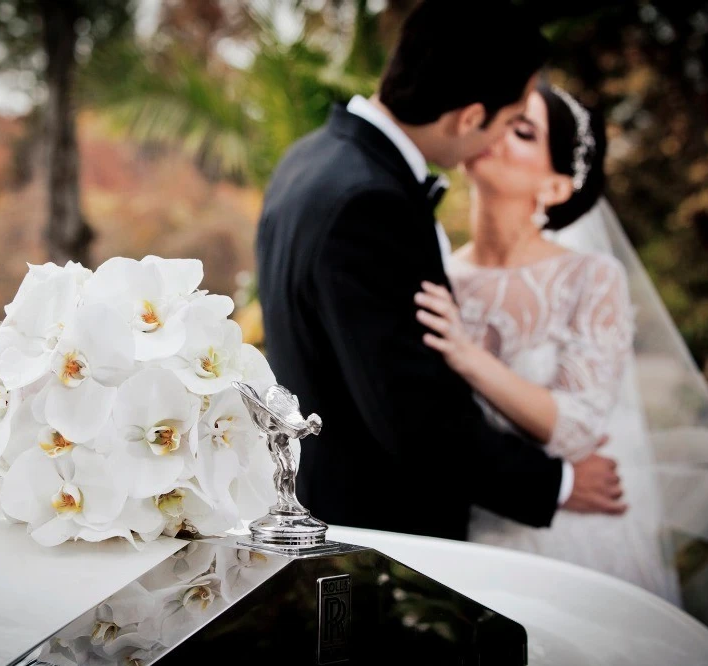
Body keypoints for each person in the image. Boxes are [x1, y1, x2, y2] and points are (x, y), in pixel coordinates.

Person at [255, 1, 623, 543]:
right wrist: (557, 483)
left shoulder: (309, 159)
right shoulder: (371, 202)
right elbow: (415, 419)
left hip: (332, 501)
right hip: (387, 531)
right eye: (507, 121)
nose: (499, 141)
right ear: (470, 117)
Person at [415, 83, 681, 602]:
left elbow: (579, 427)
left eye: (523, 129)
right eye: (498, 113)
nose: (496, 130)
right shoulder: (438, 273)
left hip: (565, 542)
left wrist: (466, 356)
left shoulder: (592, 278)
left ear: (556, 188)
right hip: (461, 540)